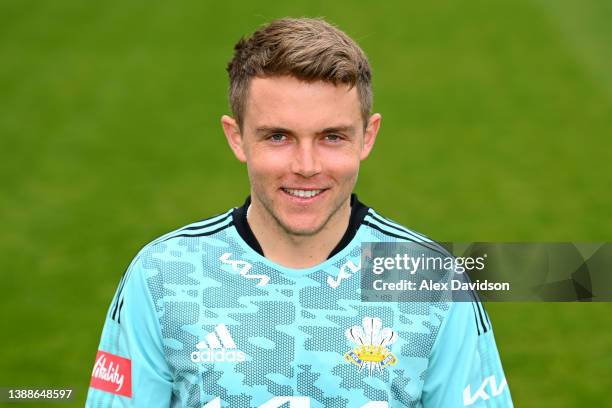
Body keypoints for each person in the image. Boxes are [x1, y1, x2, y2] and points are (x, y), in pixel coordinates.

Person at [86, 17, 513, 407]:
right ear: (236, 138)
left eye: (331, 136)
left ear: (368, 136)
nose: (306, 166)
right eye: (278, 136)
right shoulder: (163, 275)